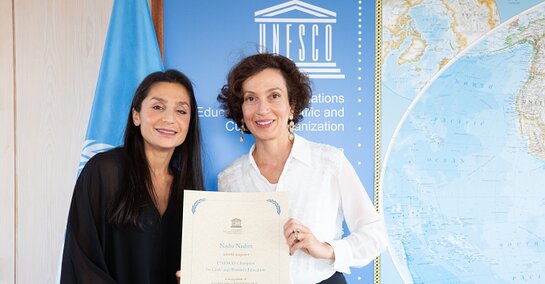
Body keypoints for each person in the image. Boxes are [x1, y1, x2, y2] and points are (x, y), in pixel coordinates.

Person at [217, 53, 388, 284]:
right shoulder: (229, 180)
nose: (262, 109)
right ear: (241, 110)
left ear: (292, 105)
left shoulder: (329, 162)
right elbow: (229, 256)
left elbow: (375, 235)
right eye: (251, 98)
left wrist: (326, 249)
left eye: (274, 96)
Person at [61, 70, 204, 284]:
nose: (169, 119)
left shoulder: (190, 189)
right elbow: (83, 260)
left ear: (190, 122)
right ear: (136, 115)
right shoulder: (104, 171)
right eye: (157, 107)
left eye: (181, 111)